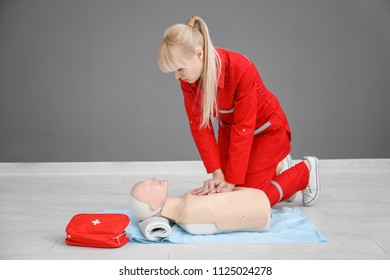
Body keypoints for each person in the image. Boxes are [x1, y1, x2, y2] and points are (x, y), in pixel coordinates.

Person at [157, 16, 320, 207]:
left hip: (267, 131)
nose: (177, 77)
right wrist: (217, 173)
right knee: (231, 192)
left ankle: (306, 171)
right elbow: (200, 128)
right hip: (233, 132)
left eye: (179, 69)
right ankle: (280, 169)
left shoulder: (240, 68)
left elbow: (245, 126)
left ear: (198, 54)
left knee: (253, 200)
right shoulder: (188, 80)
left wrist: (232, 179)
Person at [129, 177, 271, 237]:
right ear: (153, 207)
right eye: (146, 186)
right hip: (261, 208)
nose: (150, 179)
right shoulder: (187, 216)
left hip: (257, 198)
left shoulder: (184, 203)